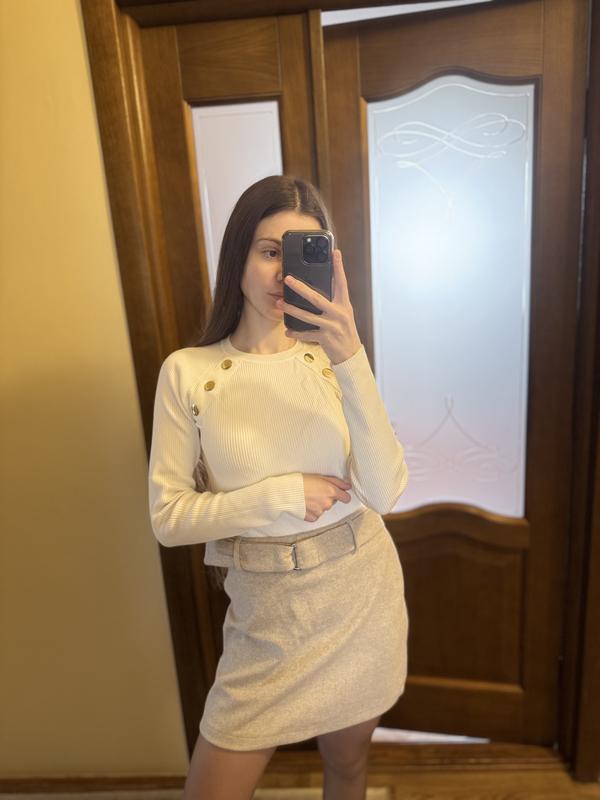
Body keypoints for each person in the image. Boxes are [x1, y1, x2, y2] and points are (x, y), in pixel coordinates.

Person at [148, 175, 410, 800]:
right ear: (238, 254)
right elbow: (169, 519)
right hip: (264, 616)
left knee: (348, 766)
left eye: (300, 254)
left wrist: (351, 356)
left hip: (358, 596)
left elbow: (385, 491)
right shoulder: (189, 373)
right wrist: (281, 495)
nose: (282, 274)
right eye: (270, 250)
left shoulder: (333, 360)